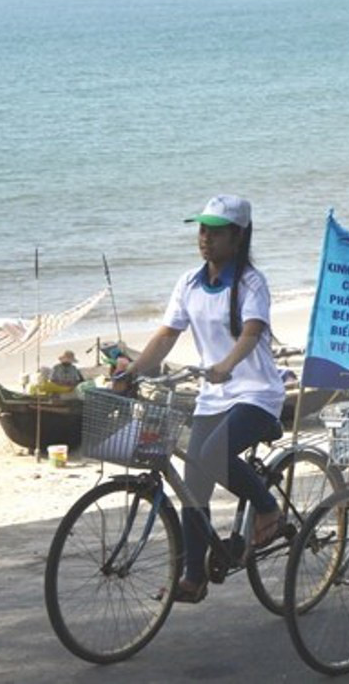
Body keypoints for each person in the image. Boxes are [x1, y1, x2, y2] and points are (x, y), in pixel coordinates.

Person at [121, 195, 285, 603]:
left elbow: (251, 331)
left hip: (257, 395)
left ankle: (267, 508)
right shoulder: (189, 283)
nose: (205, 238)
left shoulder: (251, 283)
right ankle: (193, 577)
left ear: (238, 236)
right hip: (214, 398)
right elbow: (166, 335)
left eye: (214, 231)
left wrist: (228, 364)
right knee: (194, 483)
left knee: (212, 456)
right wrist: (132, 371)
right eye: (201, 229)